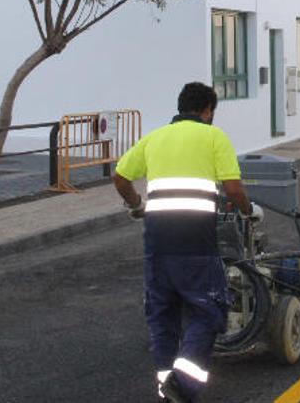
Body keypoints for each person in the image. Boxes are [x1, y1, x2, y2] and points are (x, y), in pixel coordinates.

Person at [112, 82, 263, 402]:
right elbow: (234, 190)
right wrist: (249, 212)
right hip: (195, 243)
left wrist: (137, 205)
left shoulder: (155, 138)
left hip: (156, 243)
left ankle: (167, 388)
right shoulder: (213, 137)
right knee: (209, 311)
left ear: (180, 107)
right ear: (208, 111)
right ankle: (182, 384)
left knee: (163, 316)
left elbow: (120, 177)